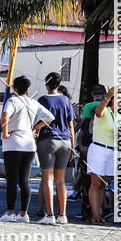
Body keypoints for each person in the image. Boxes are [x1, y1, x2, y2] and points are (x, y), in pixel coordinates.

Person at [0, 75, 54, 222]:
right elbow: (50, 117)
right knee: (25, 179)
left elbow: (5, 115)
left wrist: (4, 133)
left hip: (13, 143)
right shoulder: (33, 103)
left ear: (15, 88)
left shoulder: (12, 100)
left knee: (12, 178)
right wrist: (35, 128)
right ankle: (23, 213)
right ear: (28, 89)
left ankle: (10, 212)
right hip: (29, 144)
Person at [36, 72, 76, 224]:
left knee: (48, 179)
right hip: (65, 140)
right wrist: (72, 146)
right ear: (59, 85)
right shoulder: (66, 100)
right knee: (61, 181)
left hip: (47, 139)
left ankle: (50, 215)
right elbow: (71, 125)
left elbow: (38, 119)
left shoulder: (42, 100)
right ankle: (63, 215)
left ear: (46, 84)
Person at [86, 86, 117, 224]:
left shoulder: (117, 116)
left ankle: (98, 214)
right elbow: (98, 112)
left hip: (111, 150)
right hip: (99, 148)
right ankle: (95, 214)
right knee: (95, 183)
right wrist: (108, 96)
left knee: (102, 185)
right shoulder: (105, 110)